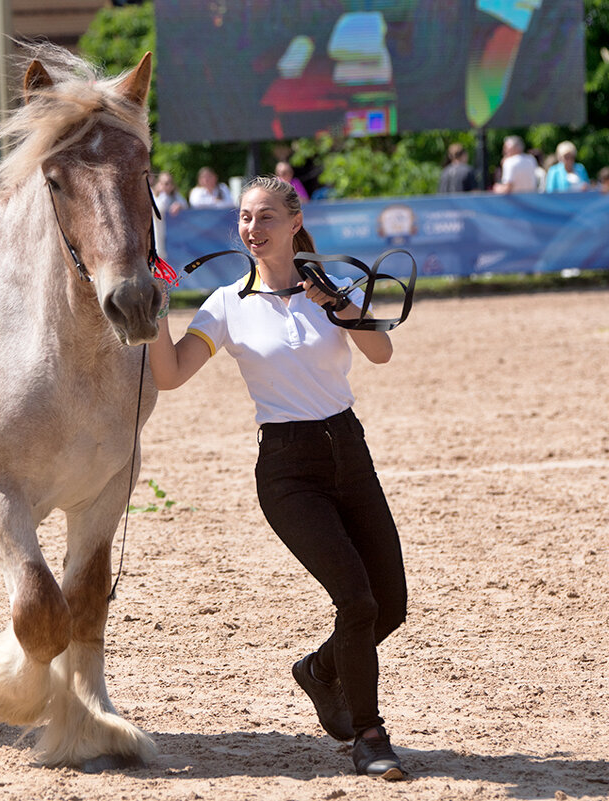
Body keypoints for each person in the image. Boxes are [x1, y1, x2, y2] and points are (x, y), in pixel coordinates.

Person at [149, 174, 408, 781]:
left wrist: (337, 305)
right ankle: (369, 737)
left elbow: (381, 352)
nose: (251, 228)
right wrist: (157, 309)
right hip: (287, 470)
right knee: (357, 599)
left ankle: (319, 671)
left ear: (295, 222)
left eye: (265, 217)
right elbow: (170, 374)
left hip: (349, 450)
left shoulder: (331, 285)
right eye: (244, 217)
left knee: (390, 606)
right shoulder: (225, 304)